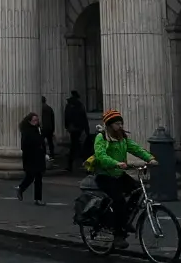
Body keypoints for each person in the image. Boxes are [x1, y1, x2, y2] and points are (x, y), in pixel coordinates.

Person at [92, 109, 158, 250]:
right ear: (109, 125)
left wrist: (150, 158)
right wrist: (116, 163)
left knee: (137, 190)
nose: (120, 126)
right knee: (119, 200)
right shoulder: (101, 137)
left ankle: (124, 220)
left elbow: (136, 149)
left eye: (121, 123)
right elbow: (100, 155)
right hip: (105, 175)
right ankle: (118, 235)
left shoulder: (122, 137)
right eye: (117, 124)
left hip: (118, 174)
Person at [15, 112, 47, 205]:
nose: (36, 122)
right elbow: (25, 145)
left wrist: (44, 152)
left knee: (38, 177)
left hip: (39, 156)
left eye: (37, 120)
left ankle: (37, 198)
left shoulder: (38, 129)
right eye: (34, 120)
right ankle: (21, 188)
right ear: (29, 121)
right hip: (31, 157)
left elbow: (41, 142)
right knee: (31, 176)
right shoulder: (27, 131)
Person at [64, 90, 90, 172]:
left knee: (74, 146)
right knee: (80, 147)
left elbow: (66, 117)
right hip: (79, 128)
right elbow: (84, 118)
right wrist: (86, 129)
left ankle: (71, 164)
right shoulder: (80, 105)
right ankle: (85, 164)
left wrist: (67, 127)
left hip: (73, 128)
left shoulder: (69, 105)